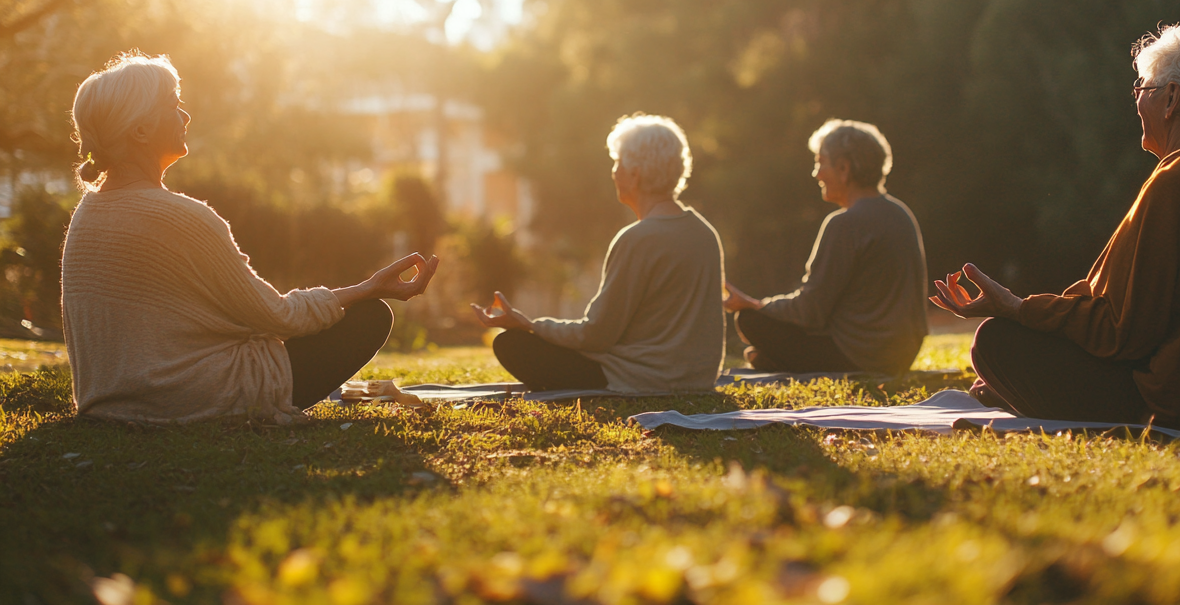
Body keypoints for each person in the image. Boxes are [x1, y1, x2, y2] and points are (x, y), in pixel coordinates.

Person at [931, 21, 1180, 429]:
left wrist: (1018, 309)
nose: (1137, 101)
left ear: (1171, 99)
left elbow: (1122, 332)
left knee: (996, 342)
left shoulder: (1176, 183)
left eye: (1142, 89)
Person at [61, 52, 438, 424]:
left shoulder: (84, 216)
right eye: (173, 104)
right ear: (140, 130)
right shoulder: (184, 217)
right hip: (195, 398)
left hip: (106, 404)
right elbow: (279, 317)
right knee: (369, 319)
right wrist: (369, 288)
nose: (186, 115)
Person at [472, 114, 725, 393]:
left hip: (642, 380)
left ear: (635, 174)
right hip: (698, 380)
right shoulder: (706, 234)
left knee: (511, 345)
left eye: (618, 163)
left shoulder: (637, 239)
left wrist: (529, 325)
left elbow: (596, 335)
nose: (614, 172)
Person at [723, 119, 928, 376]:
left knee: (750, 321)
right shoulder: (901, 213)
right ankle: (773, 359)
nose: (816, 174)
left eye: (820, 163)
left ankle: (775, 359)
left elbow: (810, 311)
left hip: (857, 356)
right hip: (901, 355)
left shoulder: (844, 223)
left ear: (844, 169)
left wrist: (755, 305)